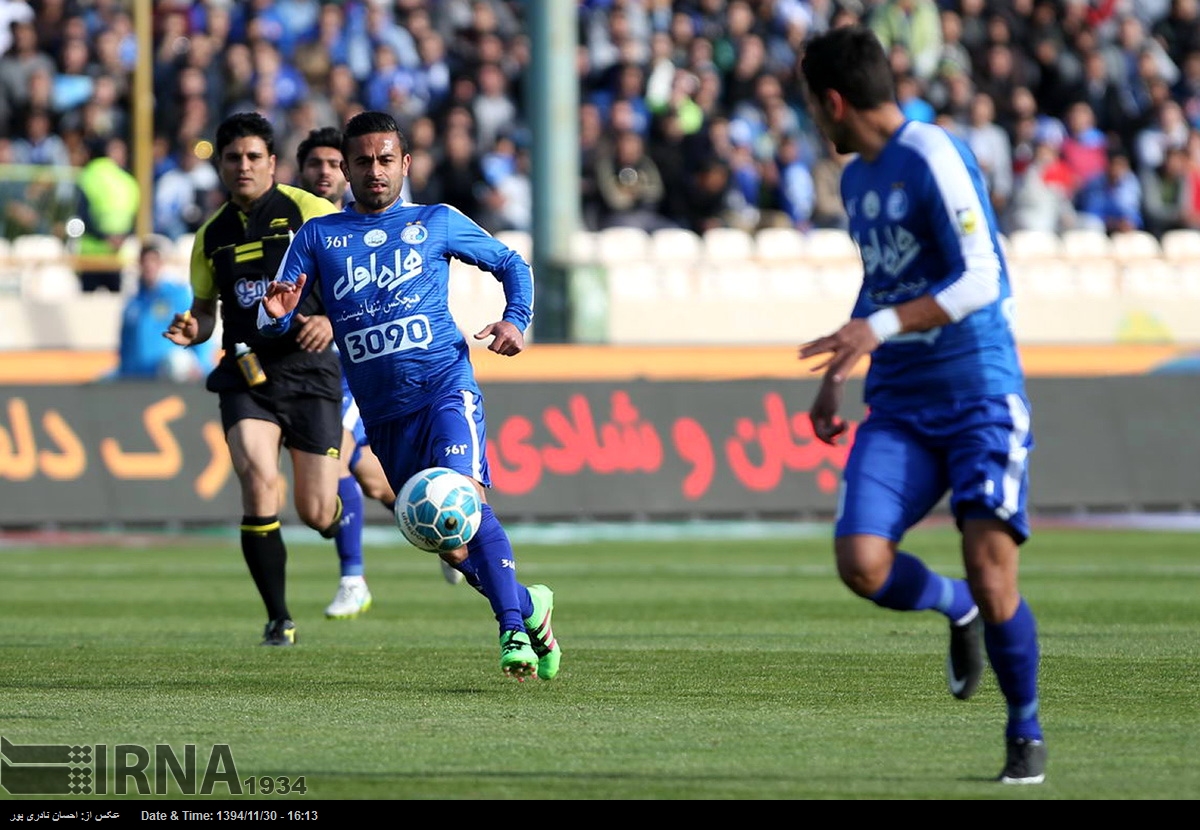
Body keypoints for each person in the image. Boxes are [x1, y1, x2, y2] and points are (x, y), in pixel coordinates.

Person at [796, 26, 1045, 785]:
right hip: (901, 401)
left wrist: (876, 329)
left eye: (812, 105)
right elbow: (884, 280)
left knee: (994, 573)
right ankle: (953, 605)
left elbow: (981, 278)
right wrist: (841, 365)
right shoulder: (858, 181)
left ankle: (1025, 730)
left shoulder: (934, 153)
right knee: (861, 563)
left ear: (834, 102)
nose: (814, 119)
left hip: (977, 392)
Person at [259, 110, 561, 682]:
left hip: (445, 385)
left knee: (463, 503)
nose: (375, 170)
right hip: (384, 416)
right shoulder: (318, 236)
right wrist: (274, 315)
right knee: (450, 545)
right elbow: (275, 315)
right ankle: (530, 603)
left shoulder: (436, 221)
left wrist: (515, 319)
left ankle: (512, 632)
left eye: (385, 159)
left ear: (405, 163)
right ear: (346, 170)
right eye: (363, 161)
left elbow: (510, 263)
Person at [163, 112, 346, 647]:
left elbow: (356, 281)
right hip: (247, 374)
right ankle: (278, 618)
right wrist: (192, 329)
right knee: (259, 480)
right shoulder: (210, 235)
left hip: (310, 370)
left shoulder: (309, 211)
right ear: (220, 165)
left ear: (272, 163)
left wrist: (331, 321)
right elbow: (205, 313)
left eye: (252, 157)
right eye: (232, 158)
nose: (242, 166)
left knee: (315, 512)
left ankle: (341, 514)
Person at [294, 126, 464, 610]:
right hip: (309, 371)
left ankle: (354, 578)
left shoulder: (377, 225)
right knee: (372, 478)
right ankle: (441, 522)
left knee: (340, 455)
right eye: (315, 164)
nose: (325, 172)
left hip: (359, 372)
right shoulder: (301, 228)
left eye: (333, 163)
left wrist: (331, 320)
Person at [115, 237, 214, 381]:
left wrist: (201, 364)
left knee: (177, 361)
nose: (149, 266)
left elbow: (199, 330)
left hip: (168, 374)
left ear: (161, 263)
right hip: (139, 375)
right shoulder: (133, 304)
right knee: (100, 382)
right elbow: (125, 344)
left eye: (154, 261)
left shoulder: (178, 295)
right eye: (145, 261)